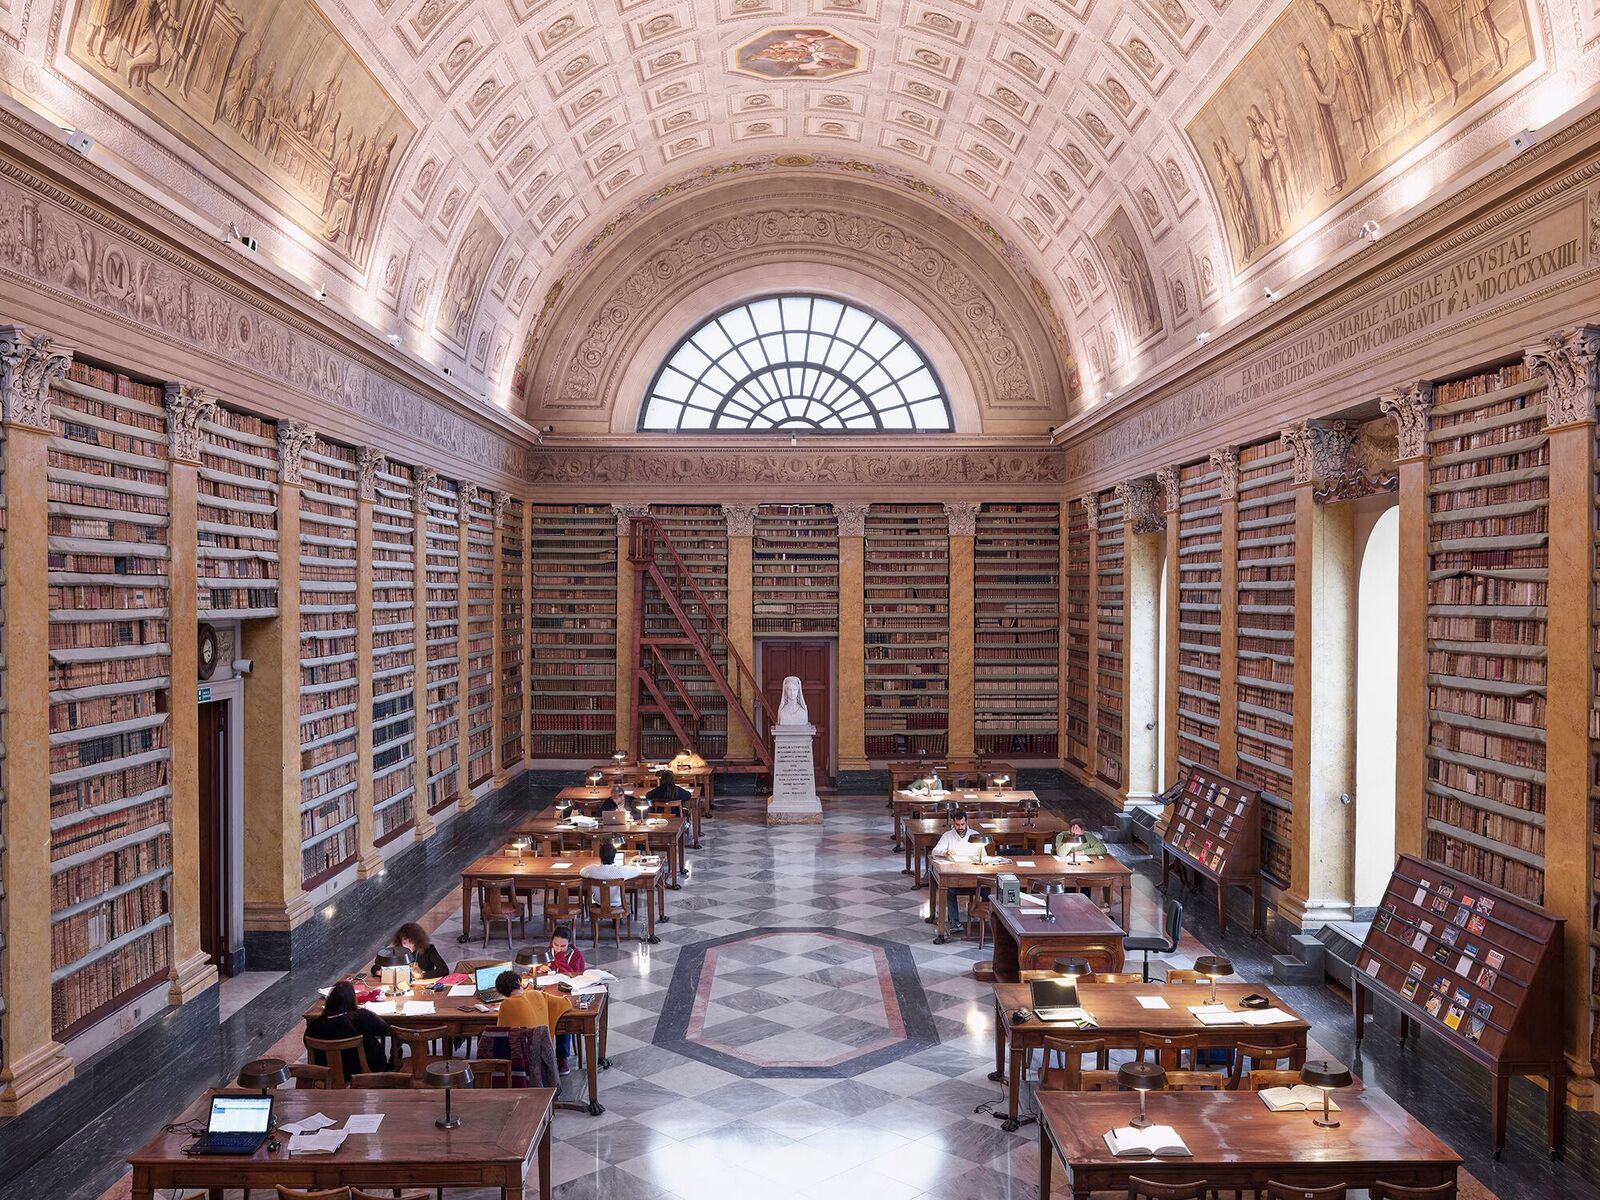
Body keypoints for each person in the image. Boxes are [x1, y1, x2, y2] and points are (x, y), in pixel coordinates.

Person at [494, 969, 574, 1073]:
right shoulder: (537, 995)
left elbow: (500, 1034)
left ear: (502, 992)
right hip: (543, 1054)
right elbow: (566, 1003)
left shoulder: (505, 1005)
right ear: (519, 982)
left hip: (520, 1059)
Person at [306, 979, 391, 1077]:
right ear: (353, 1000)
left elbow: (307, 1044)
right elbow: (383, 1029)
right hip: (362, 1072)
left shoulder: (315, 1025)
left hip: (328, 1074)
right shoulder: (362, 1017)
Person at [930, 809, 990, 929]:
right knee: (950, 891)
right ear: (953, 823)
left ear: (966, 822)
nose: (960, 827)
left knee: (988, 890)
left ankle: (988, 920)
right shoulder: (947, 836)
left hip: (974, 876)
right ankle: (954, 922)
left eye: (962, 824)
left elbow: (984, 856)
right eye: (957, 825)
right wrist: (945, 852)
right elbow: (934, 851)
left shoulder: (974, 834)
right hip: (956, 875)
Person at [371, 921, 450, 978]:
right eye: (405, 943)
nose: (408, 946)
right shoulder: (397, 952)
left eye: (411, 942)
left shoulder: (429, 949)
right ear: (400, 942)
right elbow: (375, 968)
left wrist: (422, 975)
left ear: (417, 941)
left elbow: (444, 970)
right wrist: (381, 973)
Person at [580, 840, 643, 910]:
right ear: (614, 856)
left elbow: (582, 871)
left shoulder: (592, 869)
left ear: (600, 855)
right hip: (617, 903)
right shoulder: (621, 871)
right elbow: (638, 871)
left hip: (598, 902)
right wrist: (633, 862)